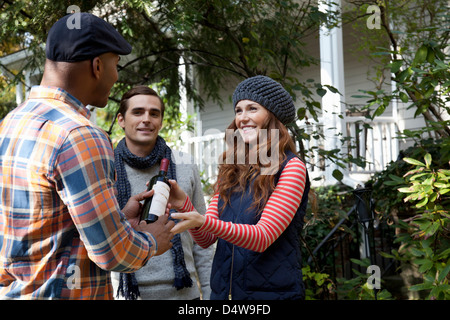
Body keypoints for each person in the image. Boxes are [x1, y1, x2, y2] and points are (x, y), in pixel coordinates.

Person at [0, 13, 174, 300]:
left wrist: (117, 220)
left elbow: (46, 225)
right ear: (96, 66)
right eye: (115, 66)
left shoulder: (11, 123)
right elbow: (112, 253)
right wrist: (152, 241)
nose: (116, 77)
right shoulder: (80, 135)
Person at [169, 75, 310, 300]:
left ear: (273, 116)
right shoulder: (231, 171)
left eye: (252, 108)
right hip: (223, 296)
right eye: (238, 110)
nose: (242, 118)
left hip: (271, 296)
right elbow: (205, 239)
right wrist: (183, 203)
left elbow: (263, 237)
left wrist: (203, 221)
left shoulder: (291, 168)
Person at [110, 85, 213, 300]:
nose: (146, 119)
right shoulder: (104, 168)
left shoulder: (185, 165)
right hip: (127, 295)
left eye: (154, 113)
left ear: (161, 121)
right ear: (121, 119)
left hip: (184, 295)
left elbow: (201, 241)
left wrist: (212, 294)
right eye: (137, 112)